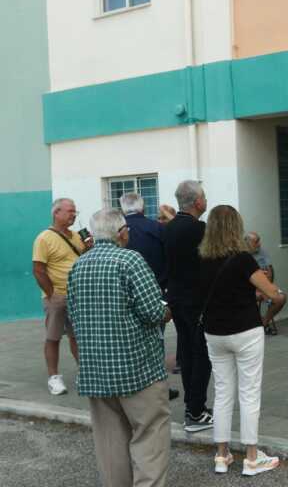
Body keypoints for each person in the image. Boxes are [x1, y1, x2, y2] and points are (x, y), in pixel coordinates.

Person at [67, 208, 171, 487]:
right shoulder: (130, 260)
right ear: (121, 232)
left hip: (95, 370)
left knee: (110, 441)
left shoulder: (79, 265)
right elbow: (152, 312)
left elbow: (74, 316)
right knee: (150, 432)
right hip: (137, 368)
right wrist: (167, 311)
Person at [199, 206, 285, 475]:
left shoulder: (201, 258)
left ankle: (222, 455)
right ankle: (251, 457)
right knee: (249, 392)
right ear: (236, 227)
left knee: (223, 392)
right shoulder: (243, 259)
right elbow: (271, 291)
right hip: (245, 330)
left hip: (214, 332)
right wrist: (271, 296)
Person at [120, 192, 180, 402]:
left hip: (123, 298)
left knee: (128, 340)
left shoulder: (116, 231)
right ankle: (158, 387)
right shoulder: (157, 228)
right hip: (157, 294)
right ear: (143, 208)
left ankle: (131, 385)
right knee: (156, 340)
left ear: (122, 208)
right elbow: (171, 260)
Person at [164, 180, 213, 432]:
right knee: (201, 355)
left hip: (177, 300)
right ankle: (195, 411)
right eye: (204, 197)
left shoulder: (168, 228)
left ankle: (192, 405)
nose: (205, 201)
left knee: (186, 352)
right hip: (196, 302)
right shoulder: (200, 230)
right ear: (197, 202)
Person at [32, 198, 89, 395]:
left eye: (75, 211)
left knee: (78, 337)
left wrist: (89, 247)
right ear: (56, 213)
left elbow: (84, 260)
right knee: (53, 337)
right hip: (56, 297)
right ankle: (54, 378)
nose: (74, 214)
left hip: (77, 296)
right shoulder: (43, 238)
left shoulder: (76, 237)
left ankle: (86, 374)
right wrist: (51, 294)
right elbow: (38, 270)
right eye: (70, 211)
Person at [245, 231, 278, 335]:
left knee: (279, 298)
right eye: (256, 241)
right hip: (249, 290)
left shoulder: (261, 251)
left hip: (264, 288)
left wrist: (267, 285)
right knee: (251, 302)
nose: (259, 244)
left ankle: (263, 324)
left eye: (259, 241)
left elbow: (269, 269)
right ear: (247, 243)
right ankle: (254, 327)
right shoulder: (241, 255)